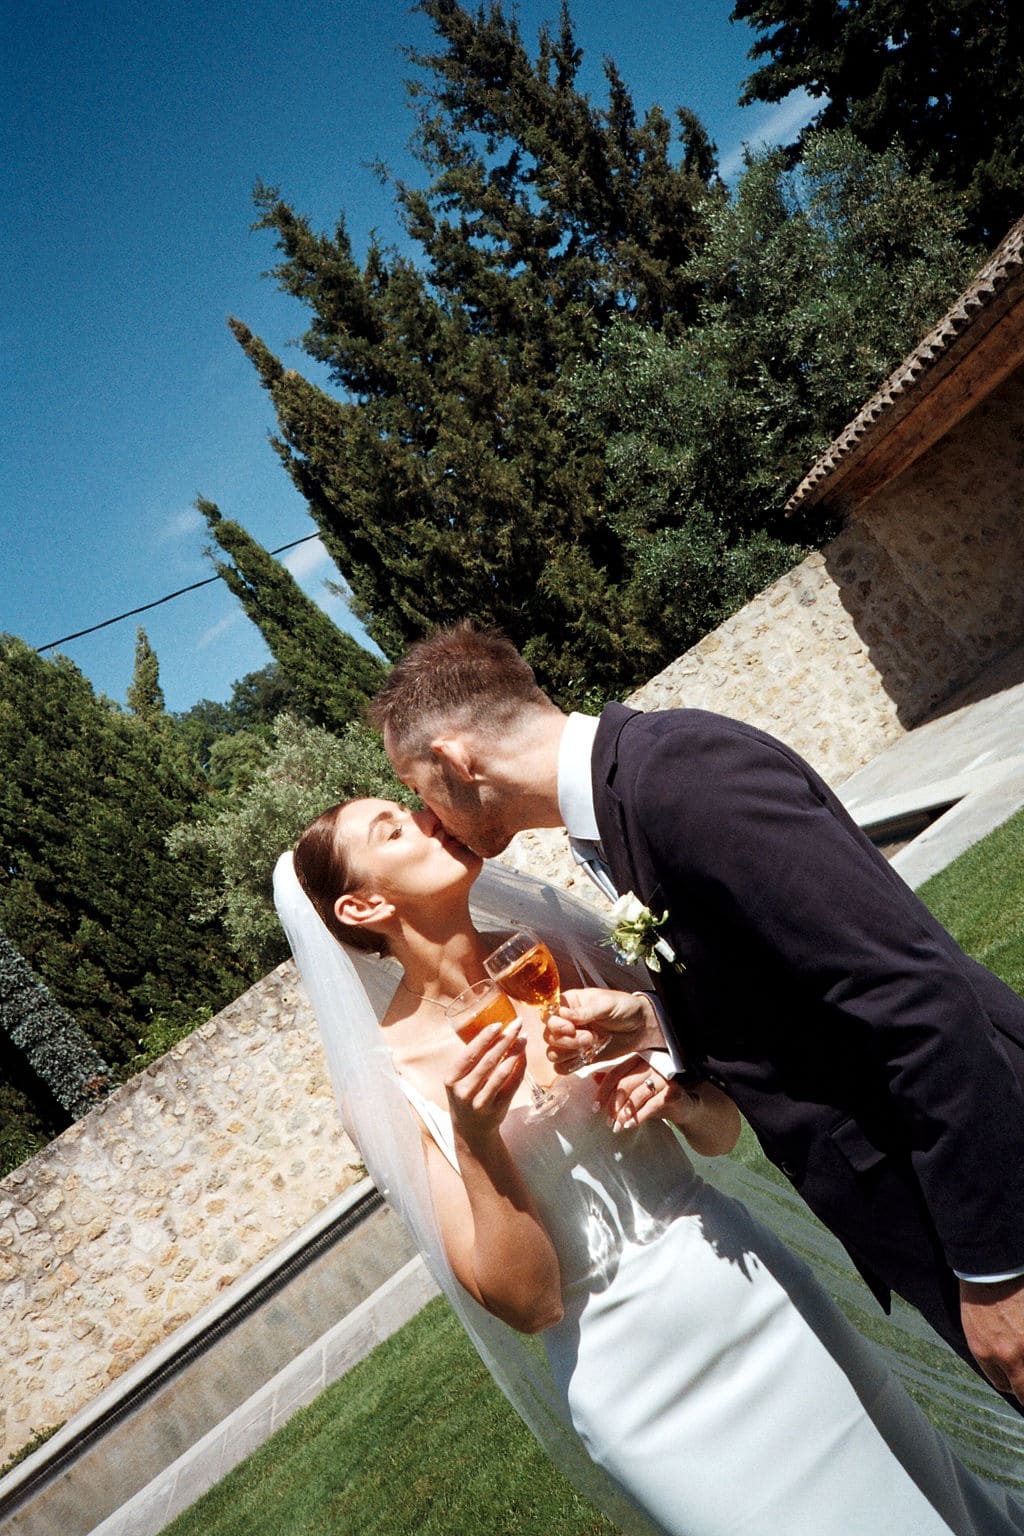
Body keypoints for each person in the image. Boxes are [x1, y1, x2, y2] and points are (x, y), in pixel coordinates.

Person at [275, 800, 1024, 1535]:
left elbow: (722, 1131)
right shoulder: (386, 1084)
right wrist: (474, 1140)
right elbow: (531, 1305)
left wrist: (674, 1098)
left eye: (417, 809)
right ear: (361, 905)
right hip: (630, 1384)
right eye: (394, 828)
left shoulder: (554, 954)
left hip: (745, 1285)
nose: (431, 820)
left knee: (921, 1499)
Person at [369, 621, 1024, 1406]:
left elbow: (914, 1001)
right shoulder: (622, 802)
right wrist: (655, 1028)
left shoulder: (680, 777)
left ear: (454, 759)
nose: (431, 817)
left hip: (979, 1182)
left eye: (419, 789)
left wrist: (997, 1267)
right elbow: (793, 993)